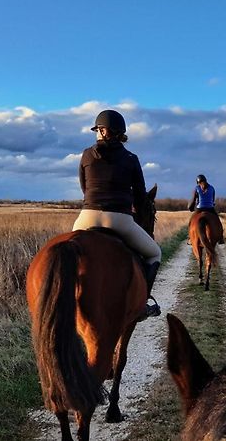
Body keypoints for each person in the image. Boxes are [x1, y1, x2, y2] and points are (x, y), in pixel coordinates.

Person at [72, 109, 161, 319]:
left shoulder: (86, 154)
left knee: (69, 251)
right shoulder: (131, 158)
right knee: (155, 253)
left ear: (104, 131)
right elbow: (140, 197)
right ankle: (142, 304)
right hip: (119, 219)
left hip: (87, 217)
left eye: (97, 129)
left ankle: (68, 299)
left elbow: (84, 188)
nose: (96, 133)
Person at [188, 174, 225, 243]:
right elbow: (213, 200)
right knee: (218, 221)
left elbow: (193, 200)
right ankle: (221, 237)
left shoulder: (197, 188)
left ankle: (190, 237)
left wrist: (191, 208)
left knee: (191, 221)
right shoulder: (212, 188)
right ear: (205, 180)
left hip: (200, 209)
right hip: (210, 208)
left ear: (198, 182)